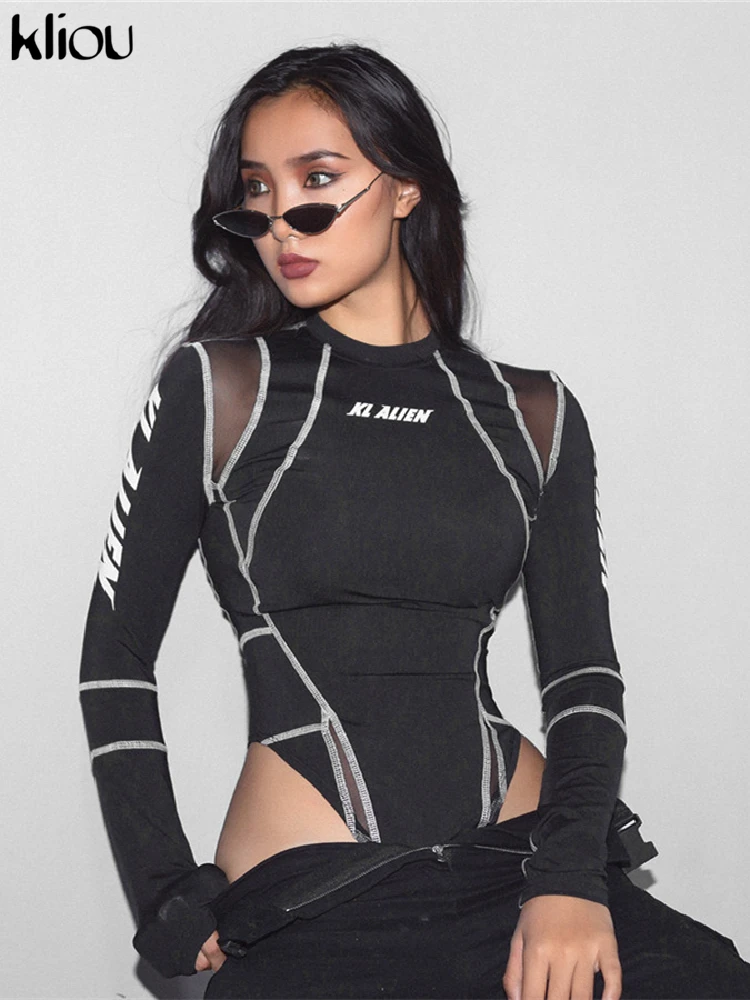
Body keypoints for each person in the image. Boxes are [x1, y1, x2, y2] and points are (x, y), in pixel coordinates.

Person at [78, 41, 750, 1000]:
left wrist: (569, 879)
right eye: (258, 192)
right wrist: (158, 886)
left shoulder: (533, 412)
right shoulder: (223, 387)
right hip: (316, 893)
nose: (281, 222)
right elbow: (115, 659)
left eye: (317, 181)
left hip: (526, 869)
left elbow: (583, 674)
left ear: (404, 188)